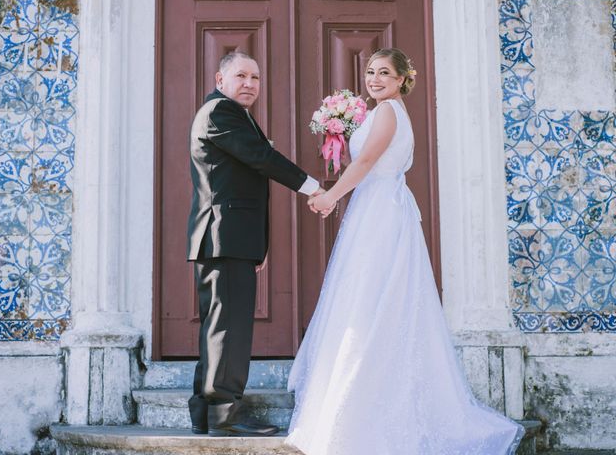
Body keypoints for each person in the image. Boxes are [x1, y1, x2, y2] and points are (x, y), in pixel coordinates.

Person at [286, 48, 525, 454]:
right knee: (372, 299)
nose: (374, 79)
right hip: (375, 209)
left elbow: (365, 165)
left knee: (370, 301)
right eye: (370, 71)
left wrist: (329, 198)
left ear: (401, 80)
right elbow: (366, 162)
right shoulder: (382, 111)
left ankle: (360, 408)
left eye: (384, 73)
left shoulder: (387, 113)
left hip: (379, 212)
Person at [186, 51, 323, 437]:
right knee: (228, 327)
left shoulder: (230, 114)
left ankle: (206, 412)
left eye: (256, 77)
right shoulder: (219, 112)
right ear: (219, 78)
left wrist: (257, 242)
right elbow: (261, 157)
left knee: (220, 325)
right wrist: (311, 186)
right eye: (241, 75)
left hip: (230, 237)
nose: (250, 83)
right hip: (223, 235)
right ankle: (226, 413)